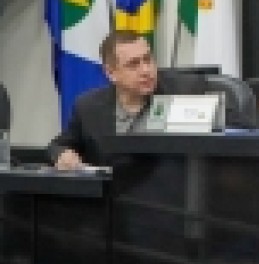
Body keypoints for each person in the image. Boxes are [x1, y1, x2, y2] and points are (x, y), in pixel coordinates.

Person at [48, 30, 245, 169]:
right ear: (111, 73)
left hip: (172, 201)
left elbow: (240, 128)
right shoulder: (88, 107)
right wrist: (63, 155)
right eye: (133, 64)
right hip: (114, 202)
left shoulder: (185, 90)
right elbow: (59, 145)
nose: (146, 70)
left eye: (148, 59)